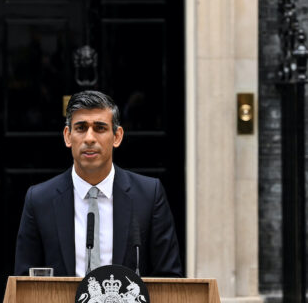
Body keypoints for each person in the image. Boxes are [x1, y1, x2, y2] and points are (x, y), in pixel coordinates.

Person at [13, 90, 183, 277]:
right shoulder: (39, 200)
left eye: (100, 128)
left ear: (117, 136)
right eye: (81, 128)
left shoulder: (149, 195)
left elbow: (170, 279)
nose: (89, 138)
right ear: (68, 136)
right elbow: (24, 283)